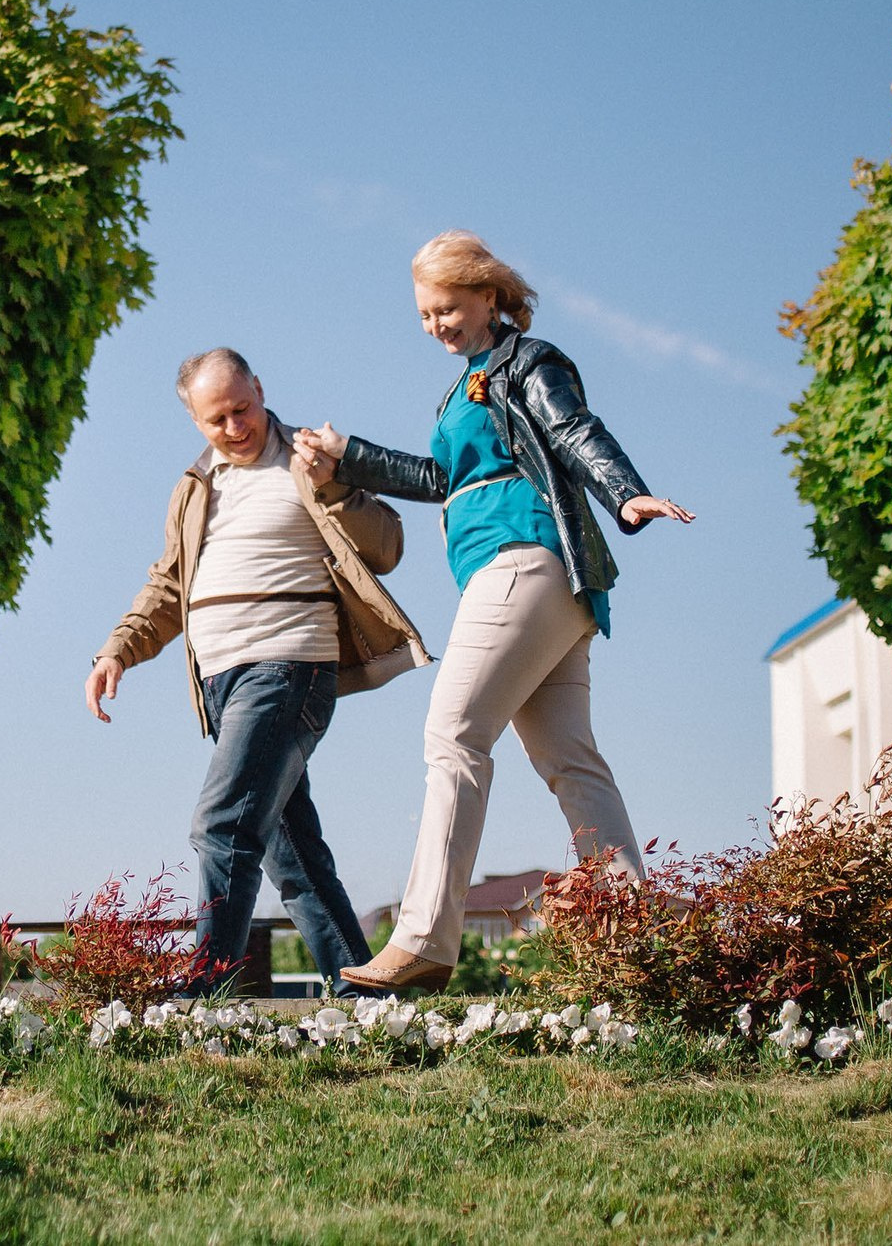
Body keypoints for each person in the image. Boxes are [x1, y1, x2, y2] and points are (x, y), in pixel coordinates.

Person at [296, 232, 692, 994]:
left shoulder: (528, 362)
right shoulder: (460, 389)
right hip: (528, 582)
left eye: (446, 306)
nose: (435, 324)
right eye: (423, 314)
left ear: (487, 293)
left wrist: (625, 492)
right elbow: (441, 476)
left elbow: (575, 430)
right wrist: (348, 457)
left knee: (452, 733)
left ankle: (423, 939)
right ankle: (634, 937)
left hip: (527, 558)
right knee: (571, 759)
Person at [88, 347, 432, 992]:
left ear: (261, 390)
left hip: (289, 664)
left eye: (243, 409)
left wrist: (332, 483)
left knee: (221, 826)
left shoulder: (309, 460)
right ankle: (363, 992)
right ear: (196, 421)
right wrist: (118, 649)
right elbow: (169, 584)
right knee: (289, 849)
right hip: (219, 682)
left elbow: (387, 546)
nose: (235, 427)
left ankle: (204, 989)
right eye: (217, 419)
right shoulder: (195, 486)